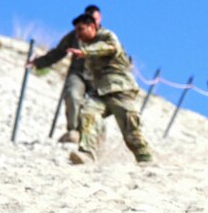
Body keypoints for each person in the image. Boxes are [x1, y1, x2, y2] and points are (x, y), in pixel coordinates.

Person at [64, 12, 154, 165]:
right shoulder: (87, 47)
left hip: (119, 89)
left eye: (81, 29)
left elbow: (109, 48)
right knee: (88, 114)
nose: (78, 35)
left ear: (92, 26)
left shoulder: (106, 36)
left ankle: (145, 158)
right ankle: (87, 154)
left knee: (130, 129)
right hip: (100, 92)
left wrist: (85, 52)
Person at [27, 4, 103, 143]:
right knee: (72, 95)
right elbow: (59, 52)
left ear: (100, 19)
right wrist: (38, 62)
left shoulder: (106, 37)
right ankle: (73, 132)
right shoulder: (75, 35)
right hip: (77, 73)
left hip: (97, 77)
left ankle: (94, 138)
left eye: (95, 18)